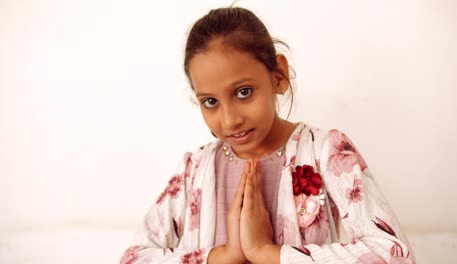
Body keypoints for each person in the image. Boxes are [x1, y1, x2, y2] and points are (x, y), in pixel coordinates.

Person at [120, 6, 414, 264]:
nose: (230, 120)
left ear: (278, 76)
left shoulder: (327, 152)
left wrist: (266, 252)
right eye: (210, 101)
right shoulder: (193, 170)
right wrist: (225, 255)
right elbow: (133, 258)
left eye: (243, 92)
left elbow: (394, 254)